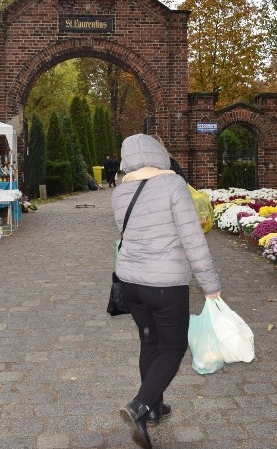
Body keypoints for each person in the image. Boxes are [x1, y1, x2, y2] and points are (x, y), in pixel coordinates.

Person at [112, 134, 221, 449]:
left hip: (131, 284)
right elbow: (193, 240)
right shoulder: (173, 186)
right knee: (172, 349)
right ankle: (139, 406)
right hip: (166, 285)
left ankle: (155, 407)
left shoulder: (119, 192)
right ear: (159, 154)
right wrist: (210, 285)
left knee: (150, 342)